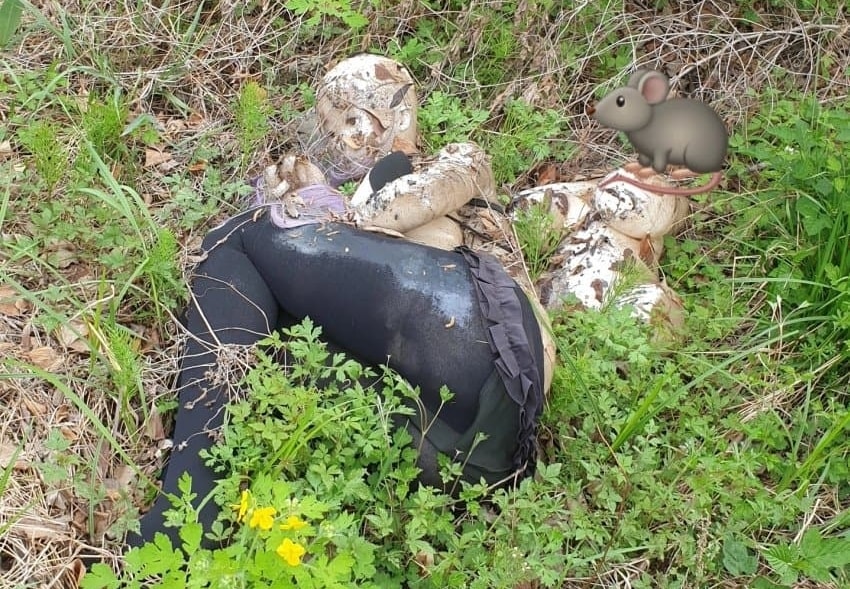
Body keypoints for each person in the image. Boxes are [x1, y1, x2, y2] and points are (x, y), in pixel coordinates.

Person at [126, 55, 551, 549]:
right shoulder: (327, 273)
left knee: (237, 238)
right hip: (463, 454)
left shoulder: (432, 165)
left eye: (341, 119)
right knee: (270, 321)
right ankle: (196, 509)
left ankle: (189, 511)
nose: (327, 138)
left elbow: (406, 203)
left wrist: (327, 206)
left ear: (388, 116)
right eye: (323, 123)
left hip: (484, 330)